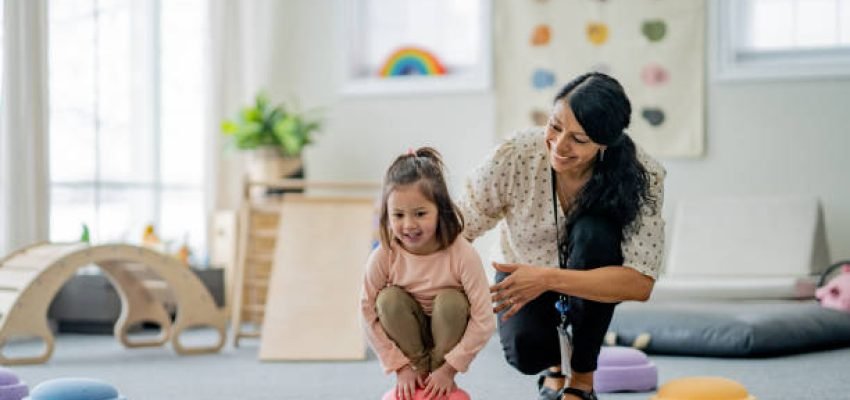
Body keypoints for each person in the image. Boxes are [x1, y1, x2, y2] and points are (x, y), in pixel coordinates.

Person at [458, 72, 665, 400]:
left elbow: (640, 283)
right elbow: (463, 224)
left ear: (605, 143)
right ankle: (554, 368)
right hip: (521, 270)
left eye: (578, 139)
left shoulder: (643, 175)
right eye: (555, 126)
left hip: (585, 278)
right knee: (524, 353)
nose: (559, 145)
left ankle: (582, 381)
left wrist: (546, 279)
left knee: (595, 234)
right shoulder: (518, 154)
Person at [361, 147, 496, 400]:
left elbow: (484, 318)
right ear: (386, 216)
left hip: (447, 337)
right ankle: (420, 380)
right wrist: (401, 368)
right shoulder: (384, 254)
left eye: (420, 214)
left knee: (451, 301)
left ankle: (437, 382)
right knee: (387, 299)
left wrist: (448, 370)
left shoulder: (462, 253)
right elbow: (367, 312)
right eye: (398, 215)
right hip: (408, 341)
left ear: (440, 210)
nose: (409, 225)